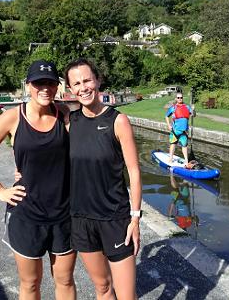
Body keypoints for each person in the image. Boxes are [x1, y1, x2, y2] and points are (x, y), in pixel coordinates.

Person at [0, 60, 76, 300]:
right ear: (28, 85)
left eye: (51, 83)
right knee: (30, 283)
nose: (46, 88)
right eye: (39, 83)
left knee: (65, 280)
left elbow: (82, 152)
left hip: (64, 213)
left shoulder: (65, 115)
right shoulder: (12, 118)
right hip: (26, 215)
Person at [66, 58, 142, 300]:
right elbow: (37, 140)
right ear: (70, 90)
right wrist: (21, 170)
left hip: (115, 219)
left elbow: (134, 172)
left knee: (126, 296)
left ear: (98, 81)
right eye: (76, 83)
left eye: (87, 80)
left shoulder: (117, 121)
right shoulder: (70, 122)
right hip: (82, 220)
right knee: (102, 289)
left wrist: (135, 218)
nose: (83, 87)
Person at [165, 92, 194, 165]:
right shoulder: (173, 108)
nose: (180, 99)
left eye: (181, 97)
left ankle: (186, 160)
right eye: (178, 97)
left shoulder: (187, 107)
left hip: (184, 132)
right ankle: (170, 158)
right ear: (176, 99)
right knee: (173, 144)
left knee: (184, 146)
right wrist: (168, 125)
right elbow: (166, 116)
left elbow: (194, 115)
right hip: (175, 131)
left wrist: (193, 110)